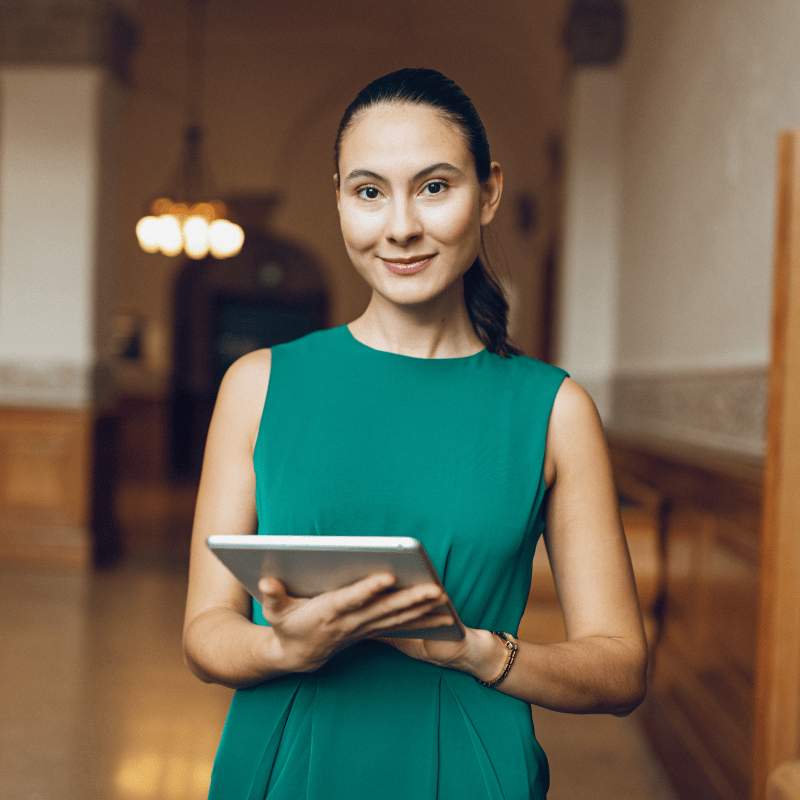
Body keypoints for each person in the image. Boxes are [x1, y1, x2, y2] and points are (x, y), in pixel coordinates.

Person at [183, 67, 647, 800]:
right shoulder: (258, 384)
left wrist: (473, 651)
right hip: (284, 762)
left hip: (467, 769)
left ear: (488, 192)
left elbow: (621, 668)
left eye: (434, 187)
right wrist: (283, 646)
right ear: (338, 198)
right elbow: (205, 633)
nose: (400, 225)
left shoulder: (554, 410)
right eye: (369, 191)